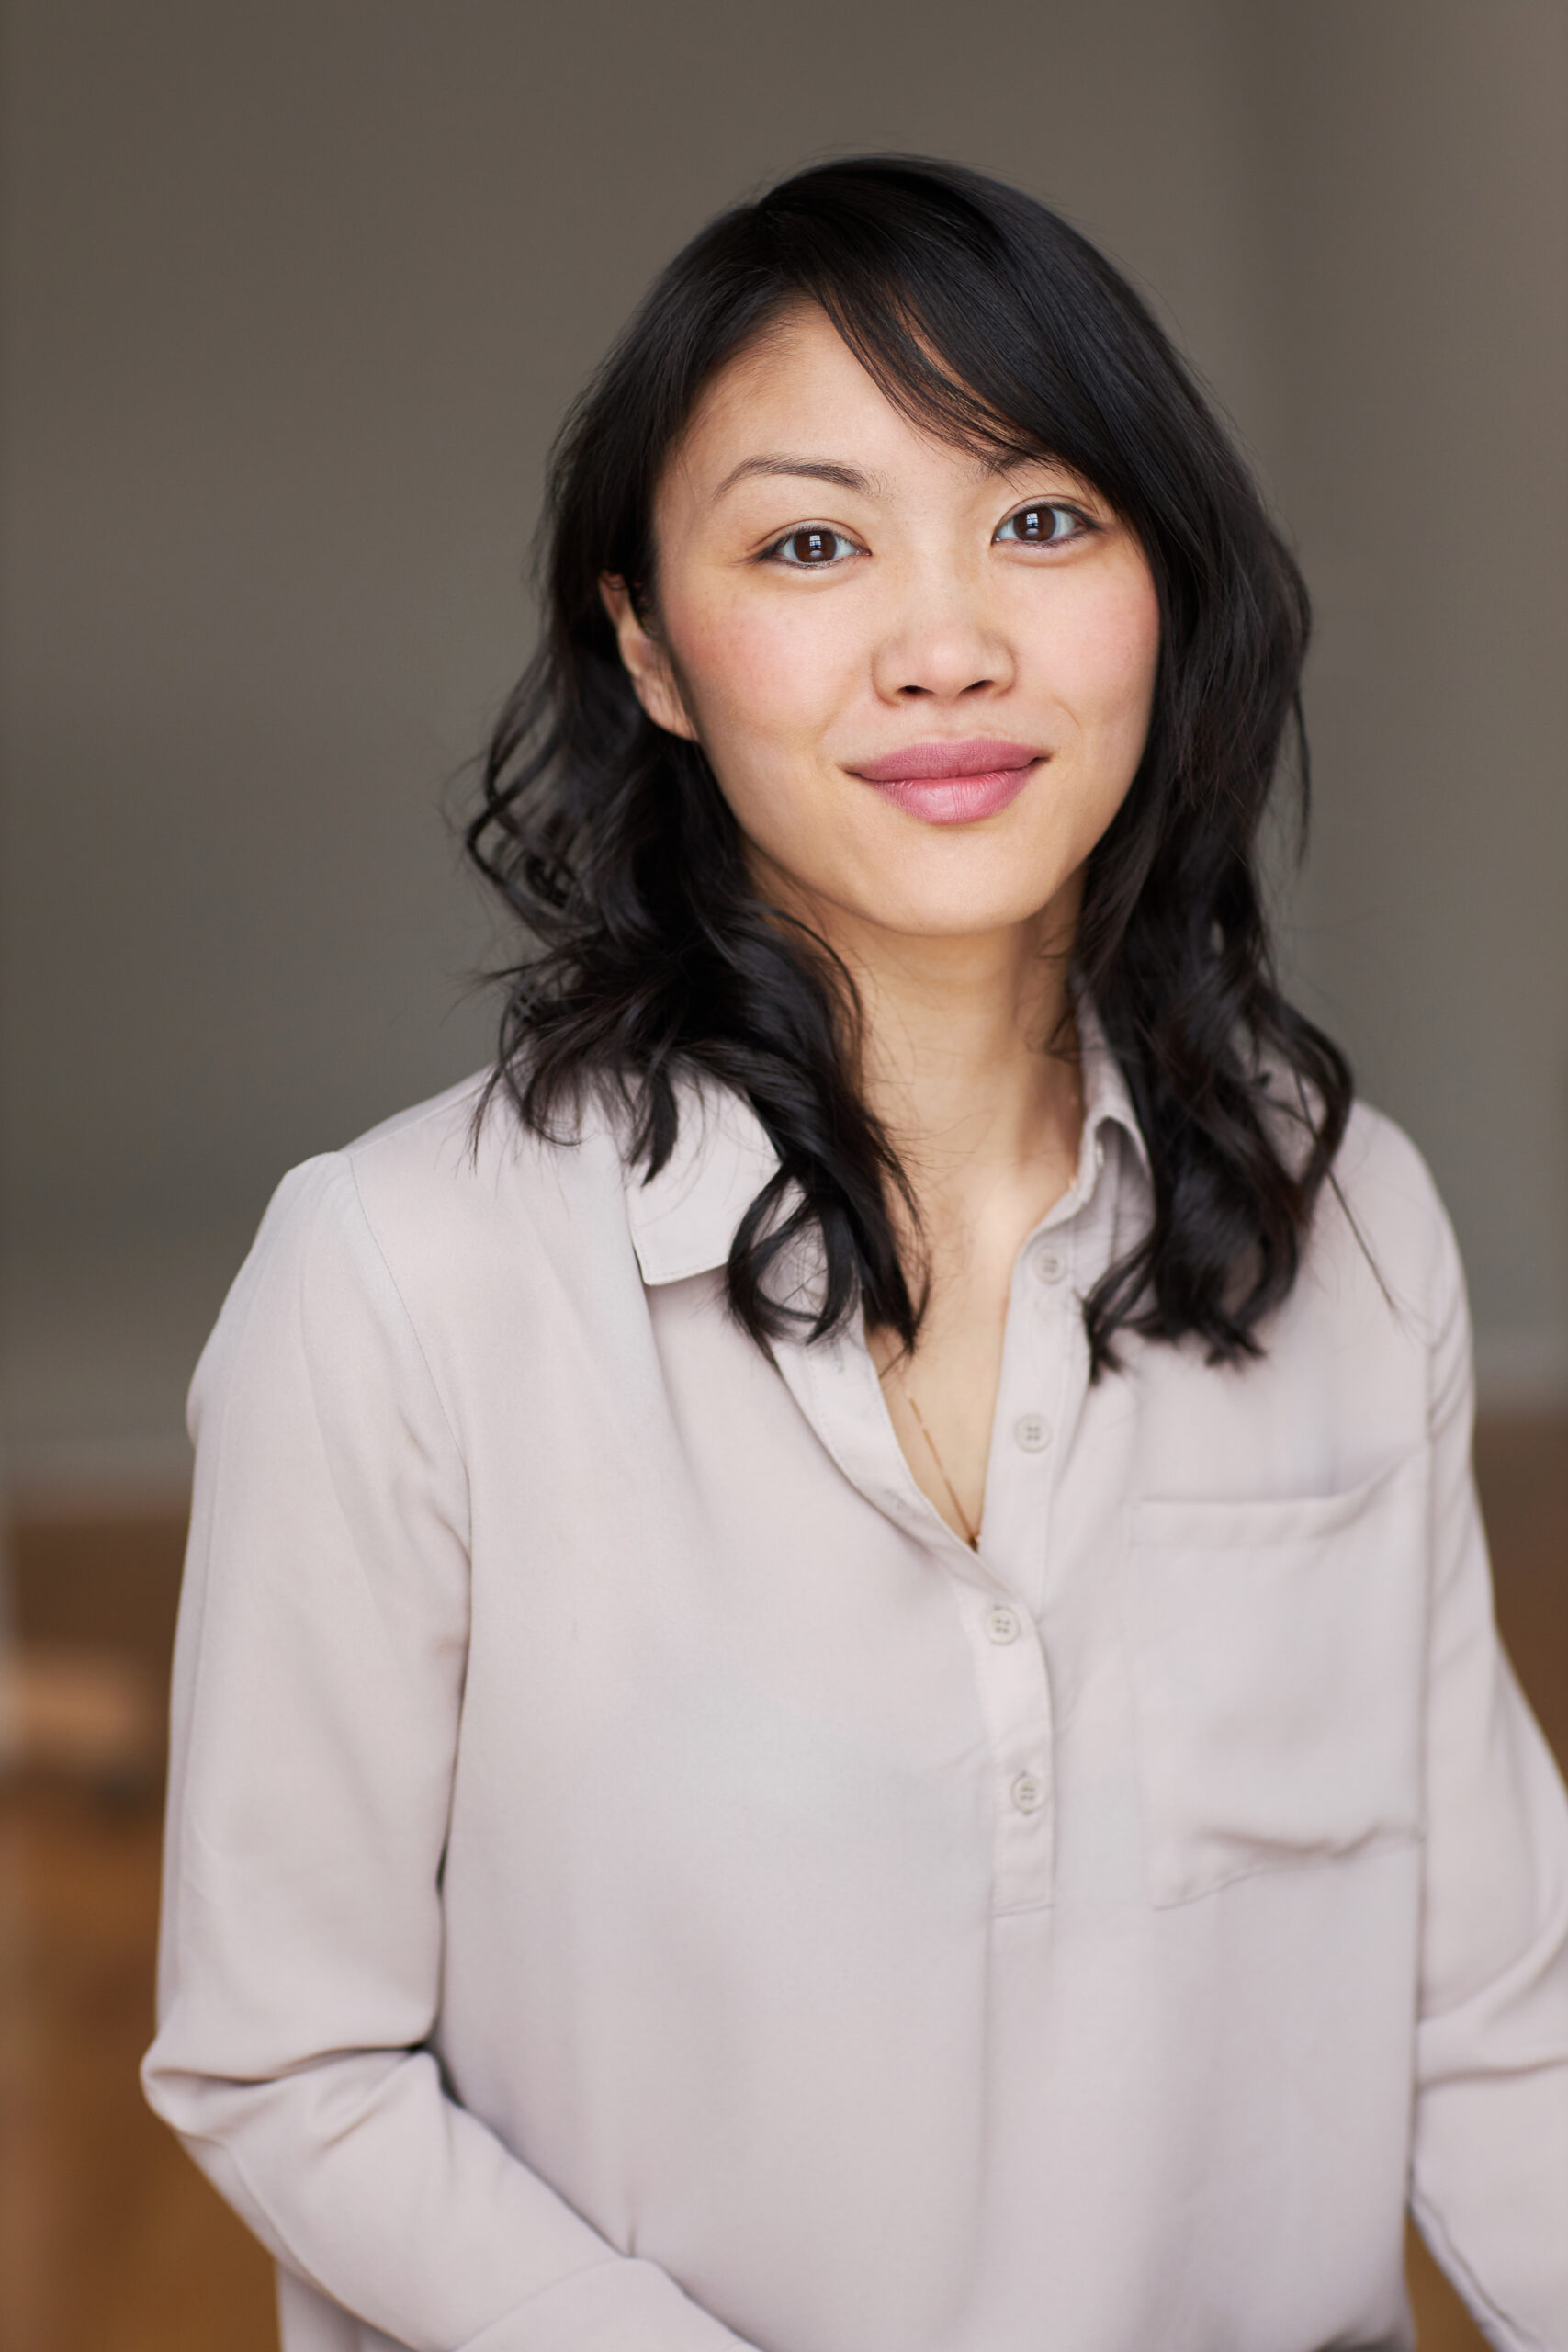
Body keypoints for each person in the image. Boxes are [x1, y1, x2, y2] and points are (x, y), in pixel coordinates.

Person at [142, 156, 1568, 2352]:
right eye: (809, 540)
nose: (944, 645)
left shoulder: (1338, 1211)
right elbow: (289, 2060)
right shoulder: (397, 1278)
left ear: (1162, 592)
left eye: (1038, 519)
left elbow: (1496, 2017)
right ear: (650, 650)